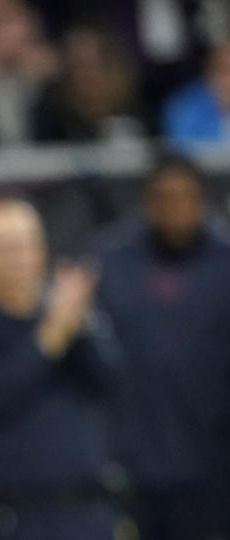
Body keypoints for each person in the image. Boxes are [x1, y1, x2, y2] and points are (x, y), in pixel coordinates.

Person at [0, 199, 121, 540]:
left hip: (87, 507)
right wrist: (52, 335)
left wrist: (77, 326)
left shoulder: (70, 316)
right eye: (5, 249)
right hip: (10, 513)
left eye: (26, 245)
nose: (18, 259)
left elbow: (110, 383)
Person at [96, 156, 230, 540]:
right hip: (131, 464)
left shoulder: (225, 264)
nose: (175, 206)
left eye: (185, 196)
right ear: (147, 201)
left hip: (212, 466)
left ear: (203, 199)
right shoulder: (111, 262)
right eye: (164, 196)